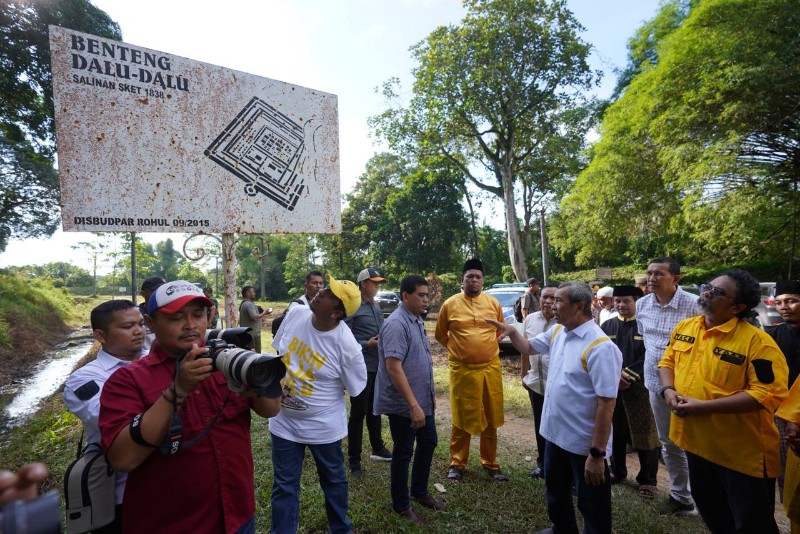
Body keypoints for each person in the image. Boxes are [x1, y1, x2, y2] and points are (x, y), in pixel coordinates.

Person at [99, 281, 283, 533]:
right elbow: (123, 459)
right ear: (151, 324)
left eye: (198, 315)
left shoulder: (226, 362)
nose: (190, 325)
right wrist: (178, 390)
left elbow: (270, 409)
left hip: (237, 515)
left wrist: (260, 382)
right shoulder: (127, 380)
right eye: (176, 318)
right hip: (170, 524)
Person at [659, 269, 788, 533]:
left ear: (737, 307)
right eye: (707, 286)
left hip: (740, 454)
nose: (706, 292)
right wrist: (668, 390)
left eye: (717, 292)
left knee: (752, 525)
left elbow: (765, 394)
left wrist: (703, 407)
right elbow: (667, 361)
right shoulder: (687, 327)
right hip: (696, 444)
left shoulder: (758, 343)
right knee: (715, 517)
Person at [489, 282, 622, 534]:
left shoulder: (601, 348)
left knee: (592, 504)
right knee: (556, 490)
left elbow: (607, 405)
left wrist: (596, 454)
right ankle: (562, 528)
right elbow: (529, 347)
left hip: (583, 444)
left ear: (579, 306)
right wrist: (511, 331)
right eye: (551, 300)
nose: (551, 304)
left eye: (559, 301)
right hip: (555, 435)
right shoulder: (560, 331)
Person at [270, 275, 367, 534]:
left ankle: (340, 529)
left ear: (336, 312)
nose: (320, 291)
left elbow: (357, 387)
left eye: (329, 293)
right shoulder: (296, 314)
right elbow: (278, 356)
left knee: (333, 481)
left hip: (323, 428)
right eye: (324, 287)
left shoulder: (347, 346)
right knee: (284, 485)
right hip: (283, 423)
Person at [63, 300, 145, 533]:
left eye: (140, 324)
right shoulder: (86, 379)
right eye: (128, 326)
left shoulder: (159, 360)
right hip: (122, 492)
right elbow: (116, 421)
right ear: (101, 335)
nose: (139, 331)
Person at [374, 275, 445, 526]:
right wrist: (413, 405)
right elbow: (393, 368)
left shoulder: (415, 320)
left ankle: (419, 491)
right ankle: (401, 505)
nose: (426, 299)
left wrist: (426, 400)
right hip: (405, 405)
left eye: (427, 295)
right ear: (405, 296)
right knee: (404, 452)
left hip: (421, 401)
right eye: (421, 295)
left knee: (429, 442)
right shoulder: (396, 324)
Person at [635, 257, 699, 516]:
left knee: (697, 444)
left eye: (659, 274)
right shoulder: (642, 304)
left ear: (676, 279)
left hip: (690, 388)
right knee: (668, 442)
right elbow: (648, 343)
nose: (652, 278)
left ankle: (708, 498)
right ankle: (681, 497)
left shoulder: (695, 305)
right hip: (654, 383)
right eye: (649, 273)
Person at [435, 258, 507, 482]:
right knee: (461, 417)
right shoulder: (450, 304)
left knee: (491, 416)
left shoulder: (493, 303)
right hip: (463, 371)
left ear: (483, 280)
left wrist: (482, 348)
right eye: (470, 277)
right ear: (462, 280)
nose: (474, 280)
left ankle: (491, 462)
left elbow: (501, 331)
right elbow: (440, 334)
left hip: (489, 370)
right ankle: (457, 462)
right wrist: (460, 351)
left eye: (478, 277)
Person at [600, 286, 660, 500]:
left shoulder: (646, 326)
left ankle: (647, 480)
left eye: (626, 301)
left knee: (646, 434)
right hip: (613, 389)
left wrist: (630, 374)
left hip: (641, 390)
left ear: (637, 302)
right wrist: (614, 377)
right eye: (617, 301)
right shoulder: (607, 325)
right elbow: (601, 354)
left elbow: (652, 354)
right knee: (614, 431)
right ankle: (617, 471)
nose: (621, 305)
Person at [344, 267, 392, 477]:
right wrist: (366, 344)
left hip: (377, 367)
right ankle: (354, 461)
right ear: (363, 284)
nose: (377, 286)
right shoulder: (353, 307)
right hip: (360, 368)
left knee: (375, 409)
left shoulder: (375, 305)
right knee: (358, 414)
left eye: (379, 283)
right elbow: (342, 338)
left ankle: (378, 448)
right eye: (374, 283)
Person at [521, 284, 558, 479]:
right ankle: (542, 464)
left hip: (557, 387)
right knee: (539, 426)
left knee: (557, 427)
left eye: (553, 298)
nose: (548, 301)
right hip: (535, 382)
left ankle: (559, 469)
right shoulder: (530, 319)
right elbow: (525, 349)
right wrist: (523, 375)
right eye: (545, 297)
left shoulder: (563, 324)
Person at [769, 280, 800, 499]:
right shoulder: (773, 335)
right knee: (785, 466)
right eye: (779, 302)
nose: (784, 307)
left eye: (792, 301)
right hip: (781, 411)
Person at [239, 285, 271, 353]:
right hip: (252, 335)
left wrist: (261, 317)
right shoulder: (249, 304)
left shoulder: (244, 304)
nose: (254, 293)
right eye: (253, 292)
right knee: (255, 355)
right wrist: (264, 313)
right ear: (248, 293)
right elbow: (255, 317)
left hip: (248, 334)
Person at [138, 276, 165, 353]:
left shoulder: (172, 312)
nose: (160, 293)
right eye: (155, 290)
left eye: (163, 290)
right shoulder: (135, 317)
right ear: (143, 294)